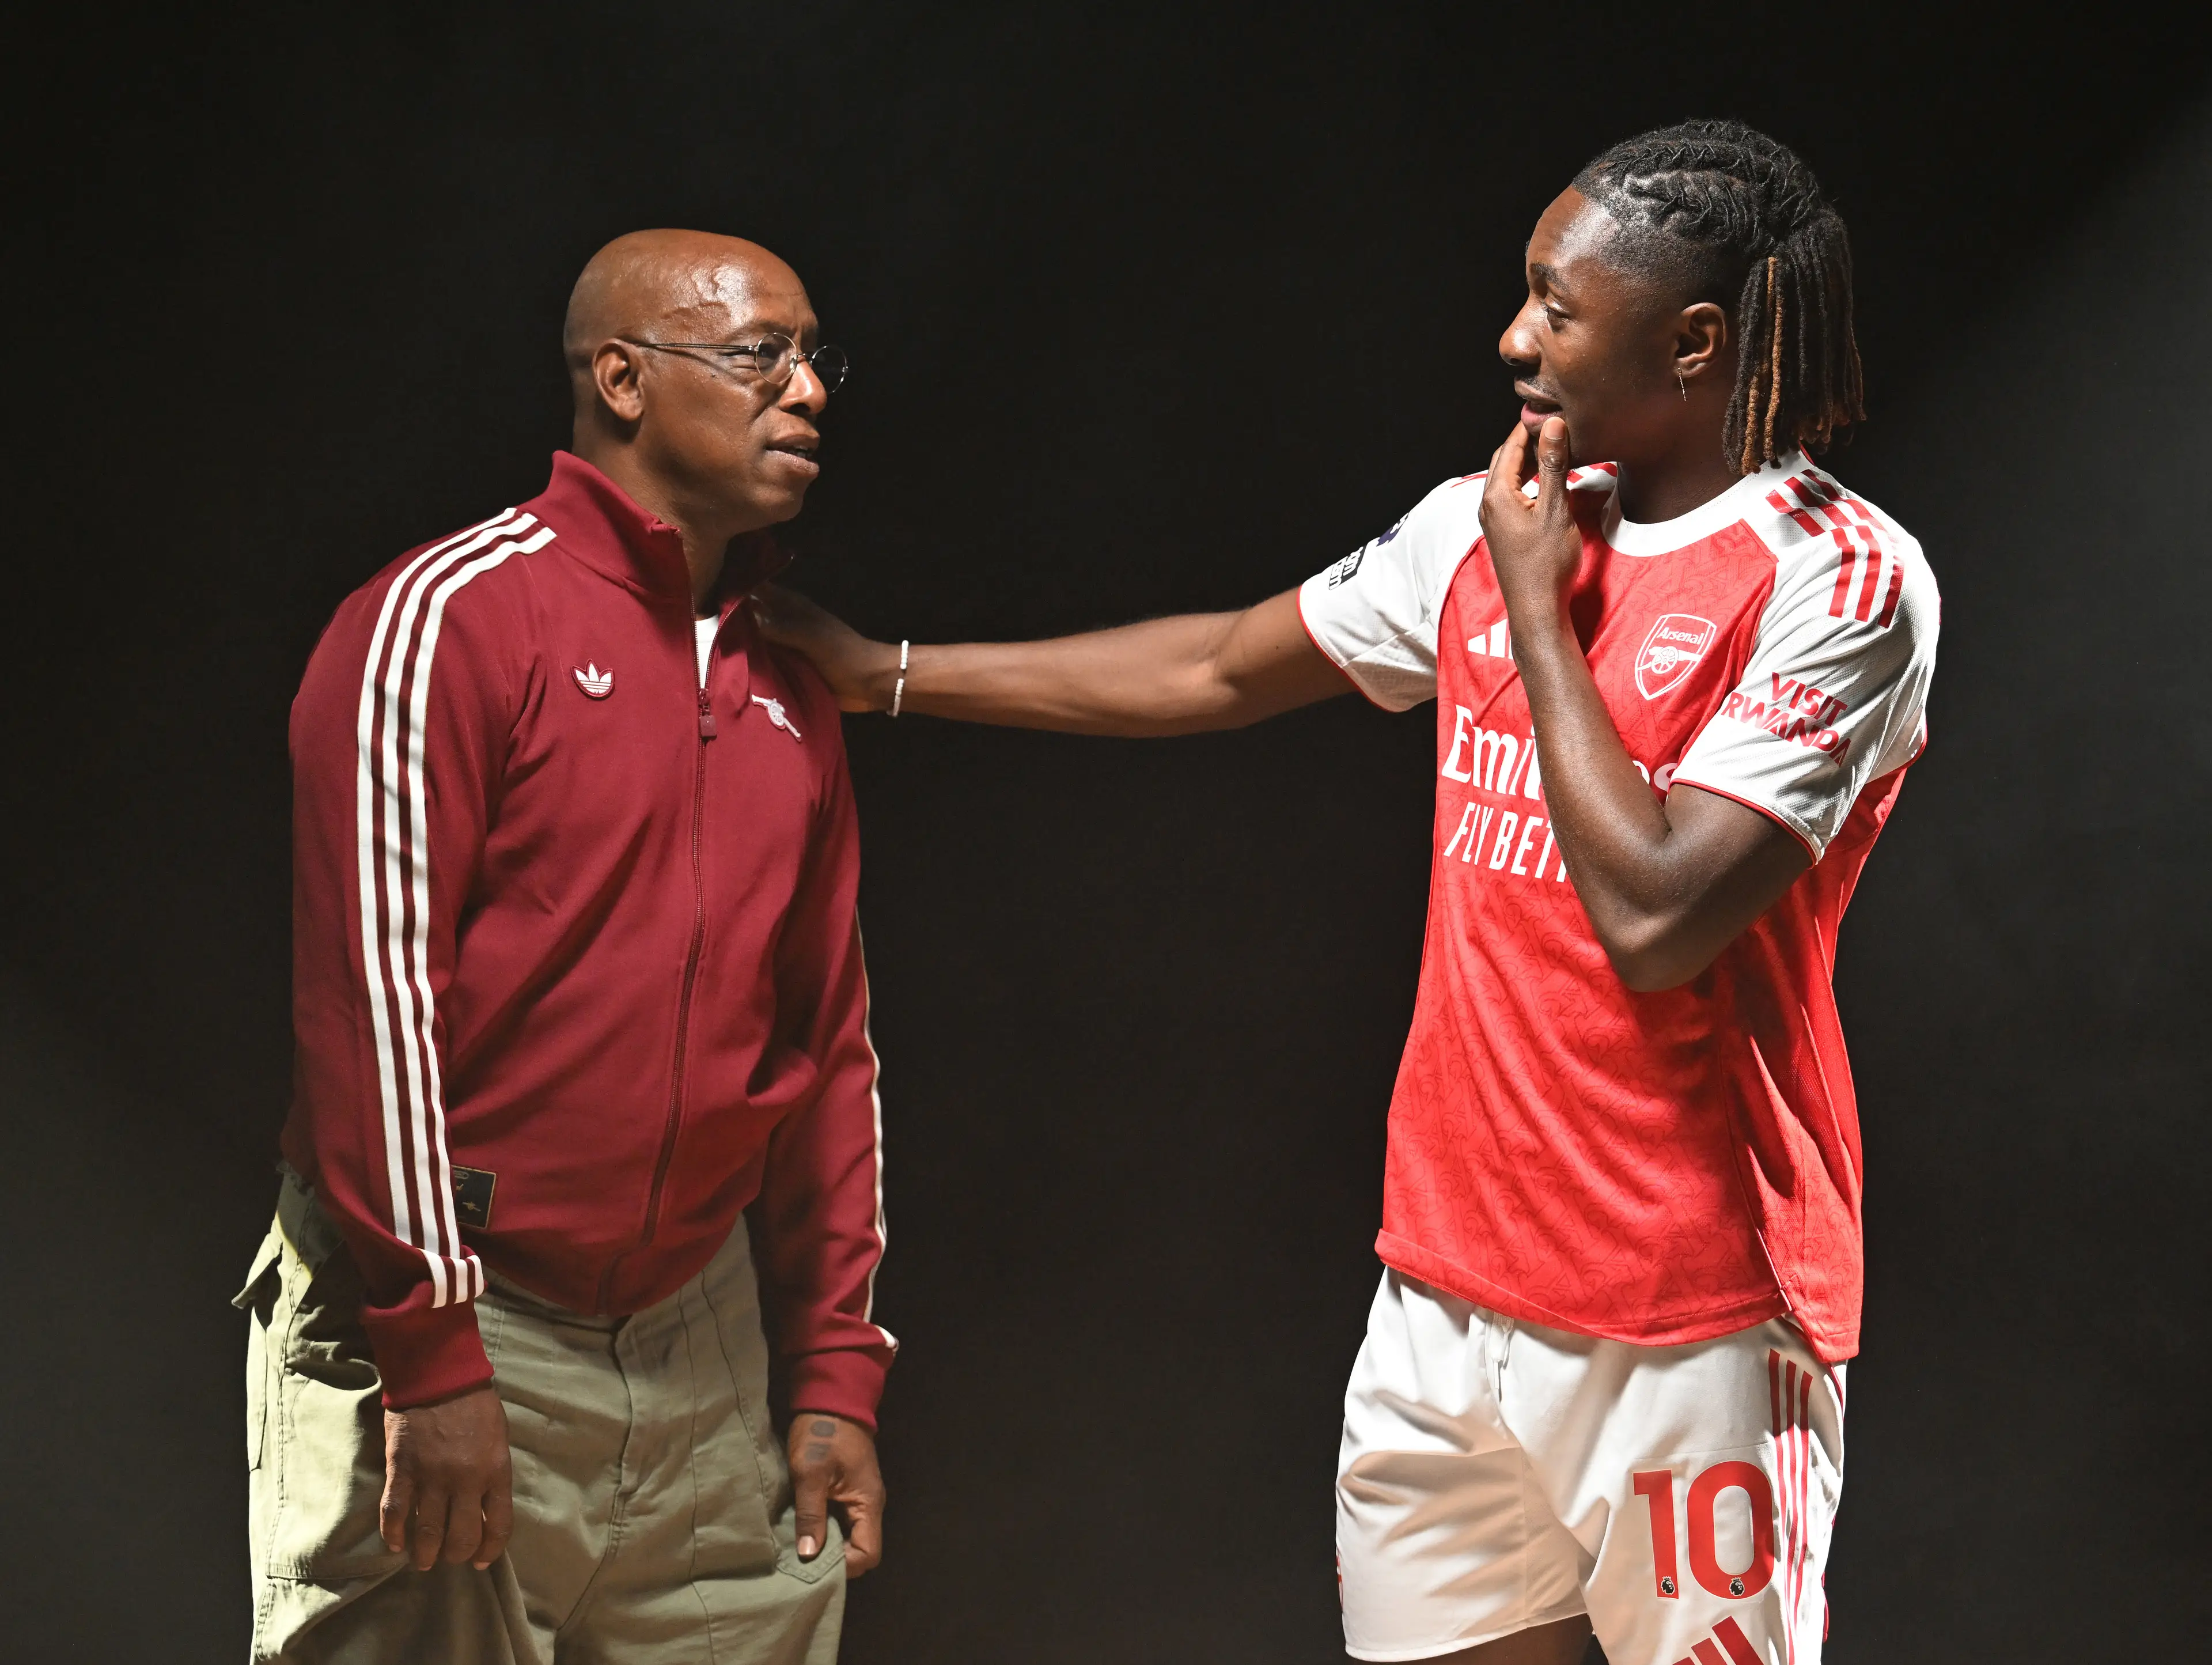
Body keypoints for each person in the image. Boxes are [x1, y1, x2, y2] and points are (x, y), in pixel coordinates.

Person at [756, 121, 1936, 1664]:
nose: (1517, 339)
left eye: (1560, 310)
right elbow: (1214, 662)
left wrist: (1536, 604)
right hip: (1444, 1296)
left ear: (1694, 339)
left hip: (1693, 1316)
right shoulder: (1490, 518)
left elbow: (1658, 916)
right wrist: (887, 676)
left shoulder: (1839, 583)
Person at [239, 230, 892, 1665]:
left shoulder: (793, 677)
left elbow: (827, 1043)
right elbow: (372, 1005)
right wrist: (428, 1348)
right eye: (760, 354)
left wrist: (835, 1364)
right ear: (621, 378)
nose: (809, 392)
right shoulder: (449, 619)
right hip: (459, 1317)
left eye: (815, 357)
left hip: (699, 1341)